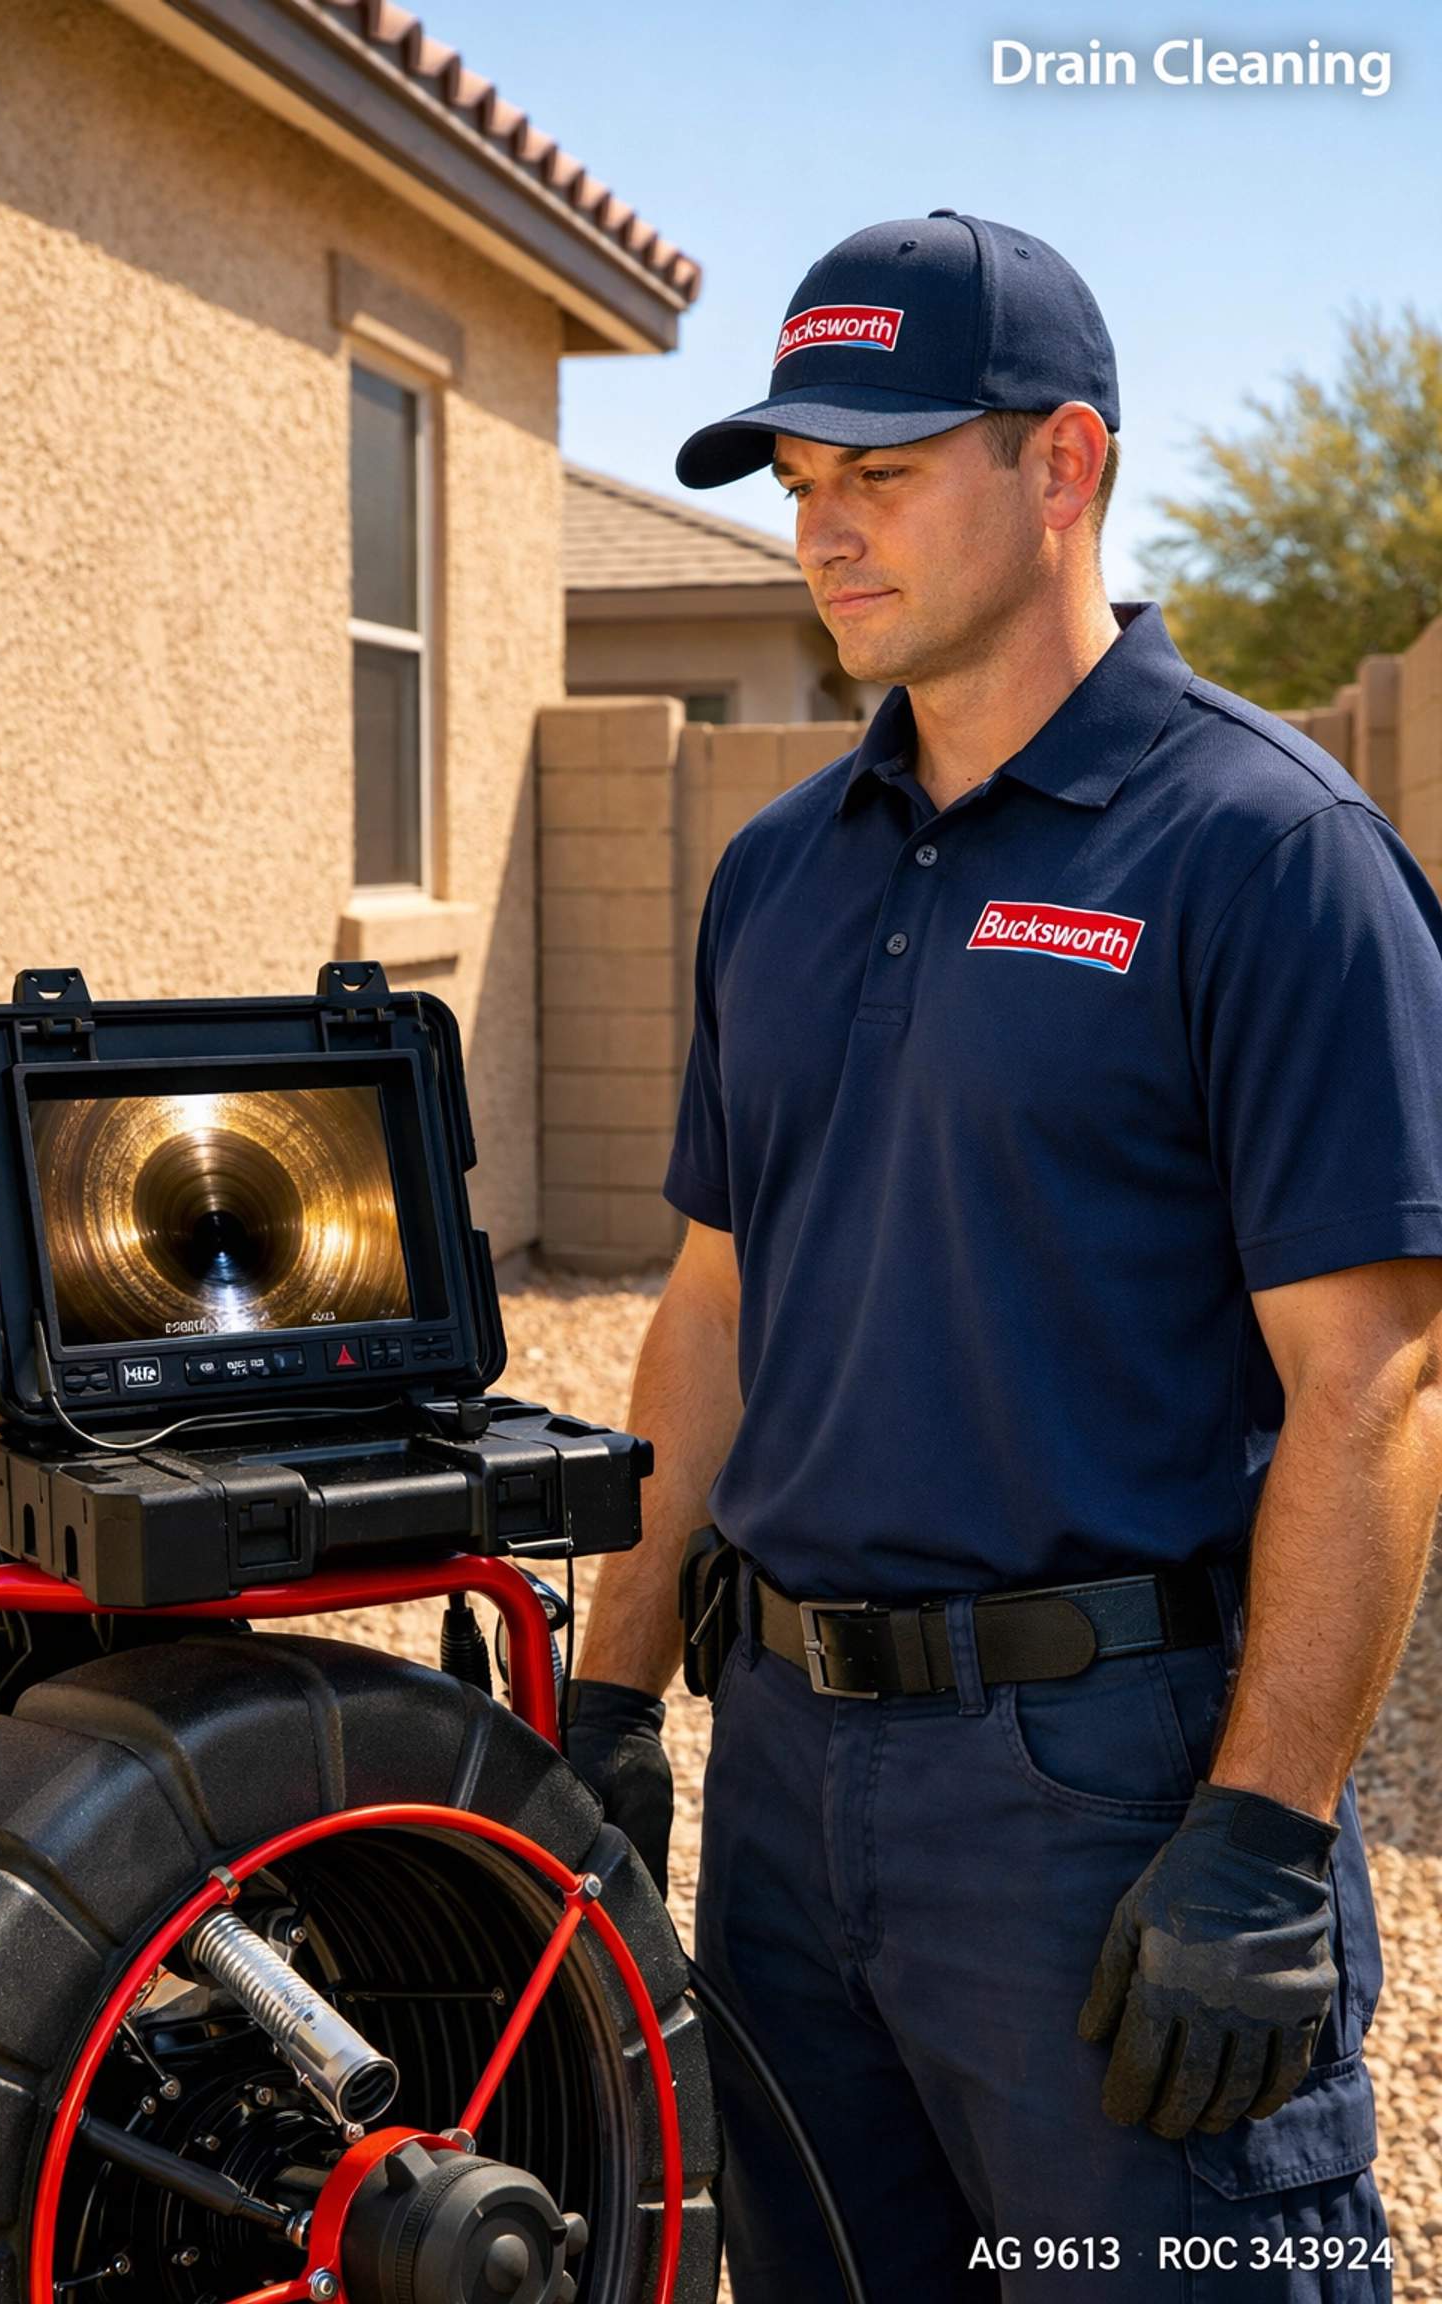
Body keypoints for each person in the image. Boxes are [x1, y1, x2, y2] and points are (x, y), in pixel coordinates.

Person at [564, 212, 1442, 2300]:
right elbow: (715, 1303)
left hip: (1099, 1800)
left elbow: (1377, 1380)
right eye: (799, 488)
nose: (824, 534)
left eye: (880, 473)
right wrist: (610, 1697)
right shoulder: (776, 875)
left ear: (1066, 468)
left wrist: (1261, 1833)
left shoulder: (1267, 855)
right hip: (779, 1775)